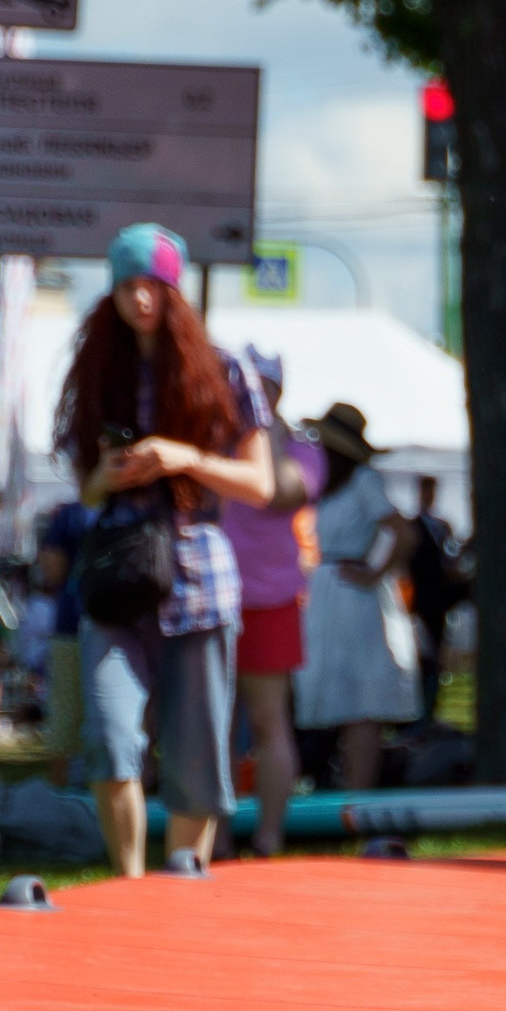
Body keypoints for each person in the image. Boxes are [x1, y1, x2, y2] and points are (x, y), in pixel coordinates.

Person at [56, 223, 277, 877]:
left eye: (152, 286)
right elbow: (86, 492)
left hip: (198, 577)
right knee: (111, 735)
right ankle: (127, 884)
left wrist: (184, 457)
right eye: (126, 286)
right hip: (118, 575)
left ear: (175, 292)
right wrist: (110, 473)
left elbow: (261, 485)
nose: (140, 300)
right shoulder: (100, 371)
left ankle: (183, 886)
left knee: (197, 753)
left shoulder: (227, 368)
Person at [217, 350, 325, 856]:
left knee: (267, 720)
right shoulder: (216, 440)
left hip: (272, 599)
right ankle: (211, 836)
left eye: (265, 386)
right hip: (213, 594)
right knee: (211, 721)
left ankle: (268, 835)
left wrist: (270, 438)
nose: (256, 395)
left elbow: (281, 495)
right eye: (249, 386)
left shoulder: (303, 449)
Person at [292, 405, 423, 795]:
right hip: (328, 590)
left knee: (360, 700)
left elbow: (404, 532)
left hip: (355, 594)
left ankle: (359, 793)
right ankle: (337, 786)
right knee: (334, 693)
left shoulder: (363, 480)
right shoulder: (325, 484)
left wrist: (377, 572)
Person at [31, 498, 96, 787]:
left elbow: (52, 570)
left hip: (73, 624)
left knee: (66, 719)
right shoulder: (138, 505)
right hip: (130, 625)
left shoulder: (71, 515)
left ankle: (59, 797)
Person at [405, 475, 466, 720]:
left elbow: (450, 561)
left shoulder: (441, 527)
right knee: (421, 657)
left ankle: (429, 709)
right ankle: (418, 711)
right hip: (419, 601)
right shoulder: (412, 525)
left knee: (436, 656)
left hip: (438, 601)